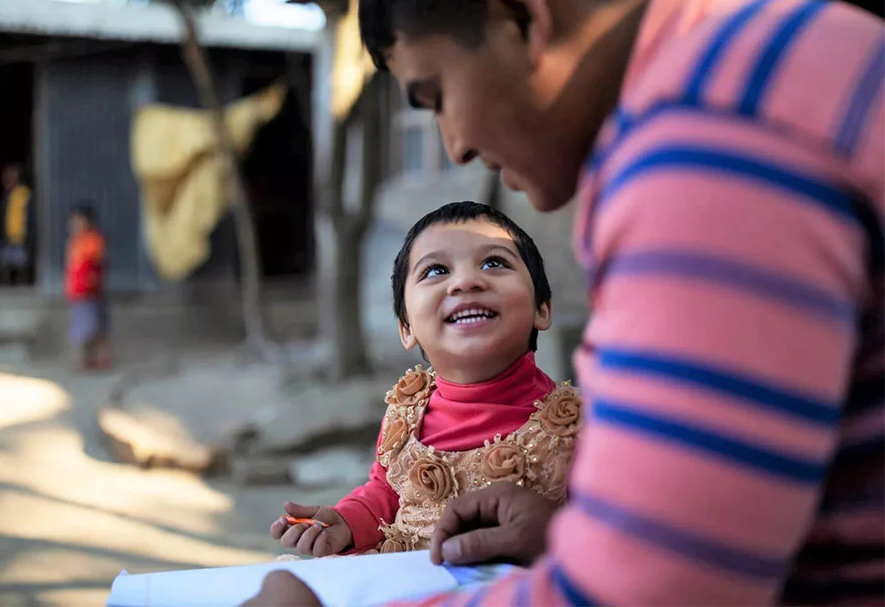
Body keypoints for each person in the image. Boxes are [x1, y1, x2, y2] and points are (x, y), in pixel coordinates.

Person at [245, 0, 883, 605]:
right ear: (406, 325)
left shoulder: (709, 149)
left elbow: (653, 590)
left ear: (522, 19)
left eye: (437, 95)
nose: (455, 146)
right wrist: (573, 536)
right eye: (433, 273)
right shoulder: (781, 53)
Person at [272, 202, 579, 558]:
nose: (466, 282)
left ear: (542, 309)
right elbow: (387, 492)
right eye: (436, 270)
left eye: (494, 263)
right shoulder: (405, 414)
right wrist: (348, 522)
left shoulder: (580, 428)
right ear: (407, 328)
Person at [66, 203, 111, 371]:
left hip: (91, 293)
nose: (75, 225)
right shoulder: (75, 242)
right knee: (81, 329)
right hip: (77, 294)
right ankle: (86, 358)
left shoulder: (93, 241)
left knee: (97, 328)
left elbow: (98, 262)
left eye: (78, 221)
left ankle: (102, 357)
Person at [0, 163, 34, 286]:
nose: (8, 179)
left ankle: (23, 287)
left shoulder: (24, 194)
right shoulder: (6, 195)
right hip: (8, 237)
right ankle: (5, 288)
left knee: (22, 265)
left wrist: (29, 234)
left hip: (21, 237)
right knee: (4, 264)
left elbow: (30, 215)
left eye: (12, 176)